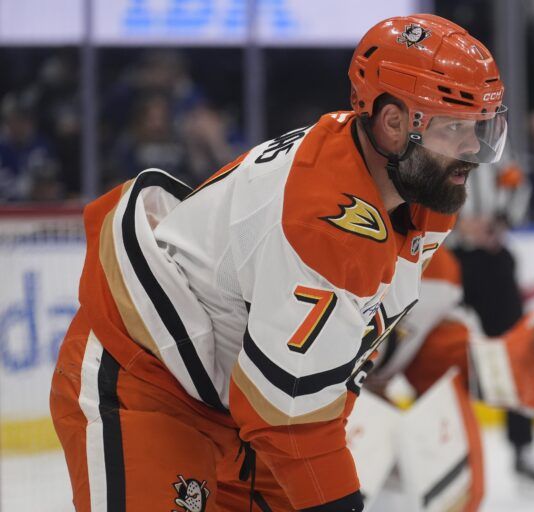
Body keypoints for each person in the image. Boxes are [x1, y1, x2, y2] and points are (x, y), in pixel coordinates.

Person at [49, 14, 509, 512]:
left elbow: (316, 373)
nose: (472, 150)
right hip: (145, 383)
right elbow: (288, 416)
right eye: (455, 127)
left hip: (240, 401)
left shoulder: (414, 189)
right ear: (394, 123)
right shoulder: (324, 223)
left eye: (481, 126)